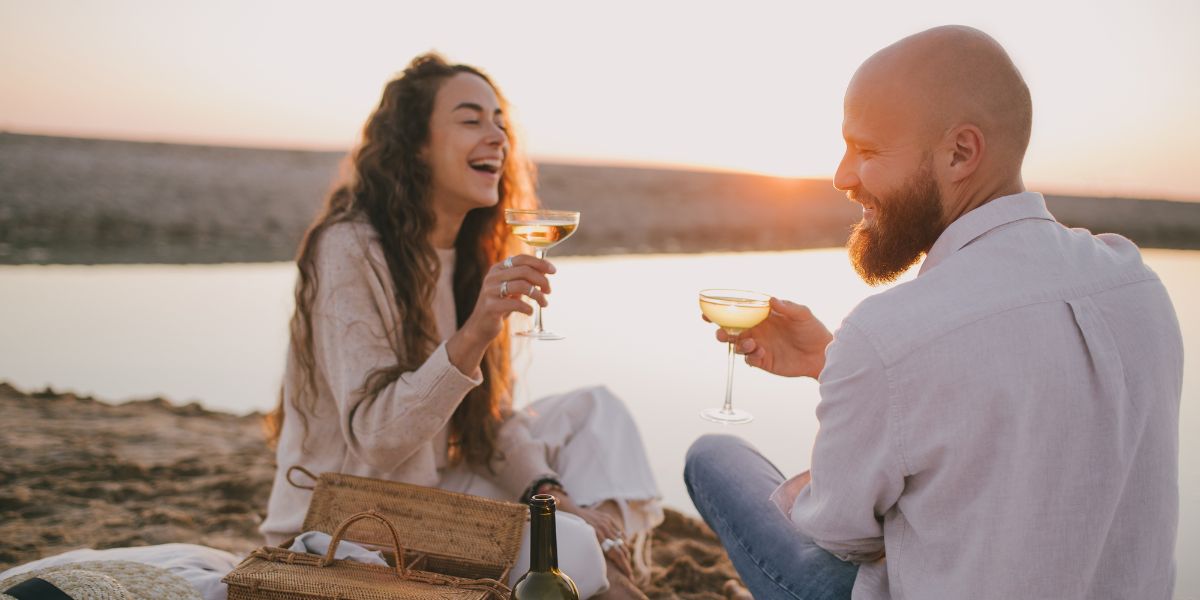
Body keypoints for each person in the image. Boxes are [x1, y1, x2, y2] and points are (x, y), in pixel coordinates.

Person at [685, 25, 1182, 600]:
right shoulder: (1138, 284)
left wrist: (861, 375)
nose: (842, 177)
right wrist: (834, 362)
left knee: (714, 456)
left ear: (960, 152)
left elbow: (835, 536)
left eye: (867, 151)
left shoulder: (889, 333)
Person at [259, 53, 661, 599]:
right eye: (471, 120)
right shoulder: (349, 248)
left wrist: (550, 492)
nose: (496, 136)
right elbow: (375, 440)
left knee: (598, 413)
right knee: (569, 550)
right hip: (354, 517)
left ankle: (605, 562)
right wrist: (474, 333)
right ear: (416, 145)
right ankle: (607, 574)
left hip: (432, 489)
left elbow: (485, 420)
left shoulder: (472, 253)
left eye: (500, 121)